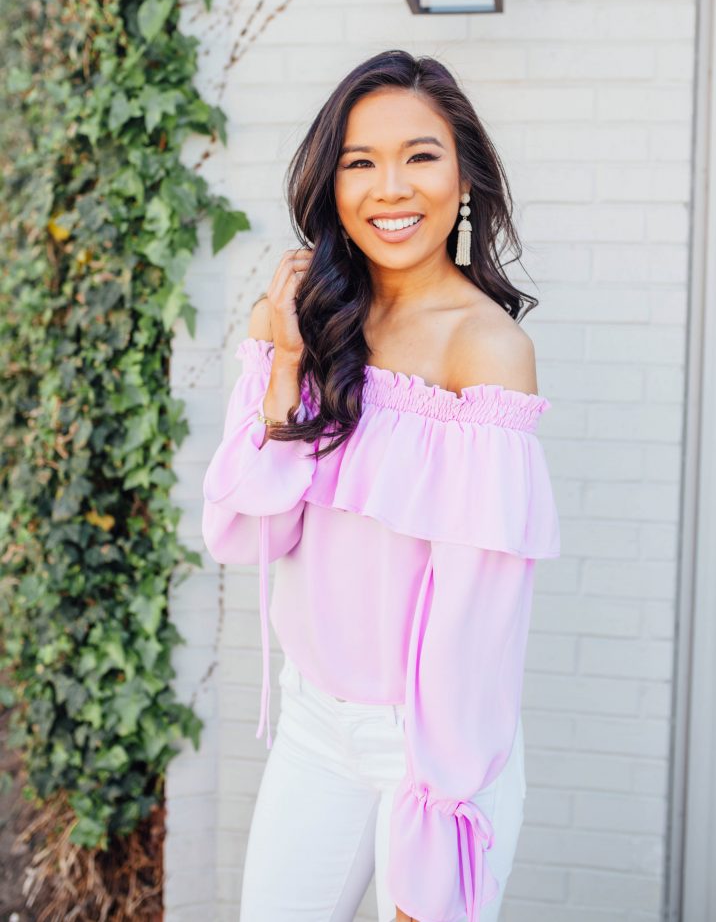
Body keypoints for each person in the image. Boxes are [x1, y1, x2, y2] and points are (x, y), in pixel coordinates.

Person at [201, 50, 561, 922]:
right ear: (331, 185)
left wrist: (439, 815)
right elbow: (248, 536)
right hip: (313, 724)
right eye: (360, 162)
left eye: (420, 156)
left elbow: (477, 622)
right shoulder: (300, 322)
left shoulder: (486, 351)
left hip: (431, 749)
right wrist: (287, 365)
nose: (390, 188)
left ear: (465, 174)